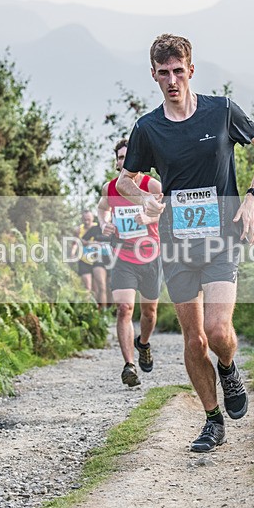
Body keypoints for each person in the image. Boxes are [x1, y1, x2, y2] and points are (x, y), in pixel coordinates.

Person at [116, 34, 254, 452]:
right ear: (153, 74)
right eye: (163, 73)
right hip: (177, 245)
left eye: (178, 71)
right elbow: (124, 181)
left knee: (218, 331)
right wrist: (145, 198)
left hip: (222, 238)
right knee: (193, 340)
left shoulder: (221, 111)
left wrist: (253, 199)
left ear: (191, 70)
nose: (172, 80)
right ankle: (212, 420)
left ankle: (228, 367)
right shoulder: (147, 128)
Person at [97, 138, 163, 387]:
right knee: (124, 308)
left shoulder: (150, 184)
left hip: (150, 256)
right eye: (121, 158)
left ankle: (143, 343)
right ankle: (129, 365)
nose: (125, 161)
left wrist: (147, 217)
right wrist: (105, 224)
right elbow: (102, 209)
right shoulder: (110, 188)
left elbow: (164, 207)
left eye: (129, 156)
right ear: (117, 163)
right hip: (123, 257)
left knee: (149, 312)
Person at [75, 210, 112, 308]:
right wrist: (93, 243)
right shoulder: (95, 229)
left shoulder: (114, 229)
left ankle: (113, 311)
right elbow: (82, 240)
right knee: (102, 287)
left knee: (111, 287)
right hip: (98, 260)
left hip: (113, 260)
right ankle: (103, 313)